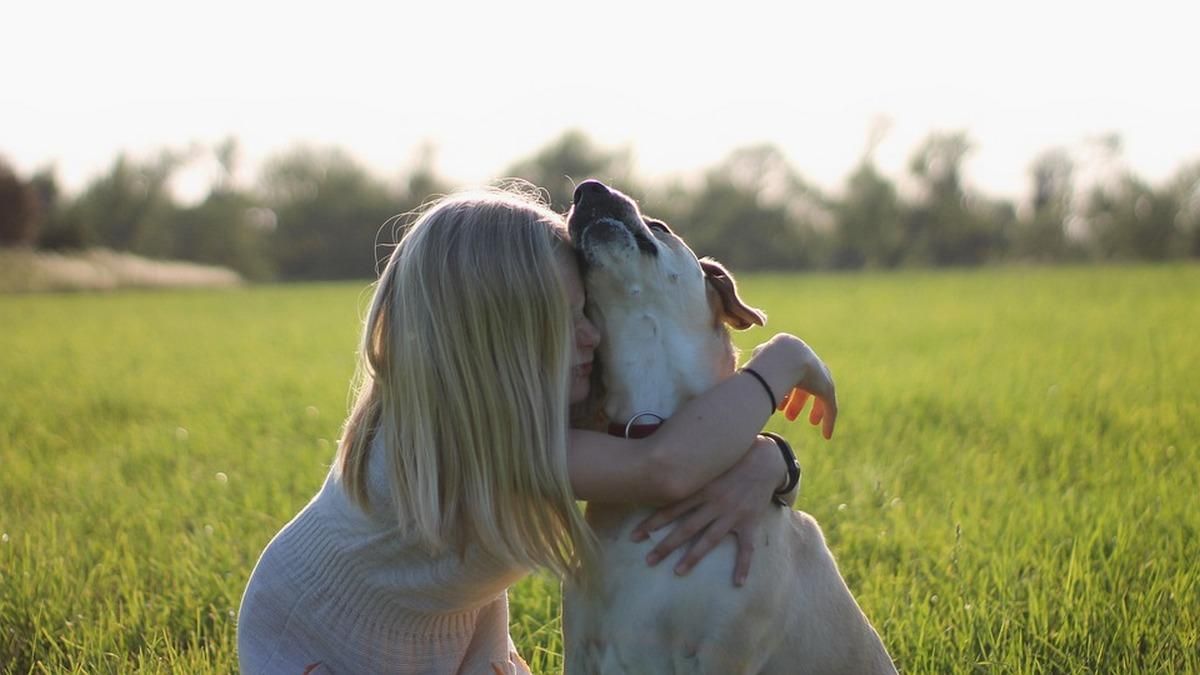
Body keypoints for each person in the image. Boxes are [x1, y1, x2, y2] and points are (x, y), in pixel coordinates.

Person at [236, 186, 836, 674]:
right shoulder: (474, 443)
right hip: (321, 631)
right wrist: (781, 361)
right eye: (568, 318)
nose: (592, 336)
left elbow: (682, 441)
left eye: (588, 311)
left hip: (445, 630)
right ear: (496, 342)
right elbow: (665, 467)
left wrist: (771, 460)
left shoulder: (526, 409)